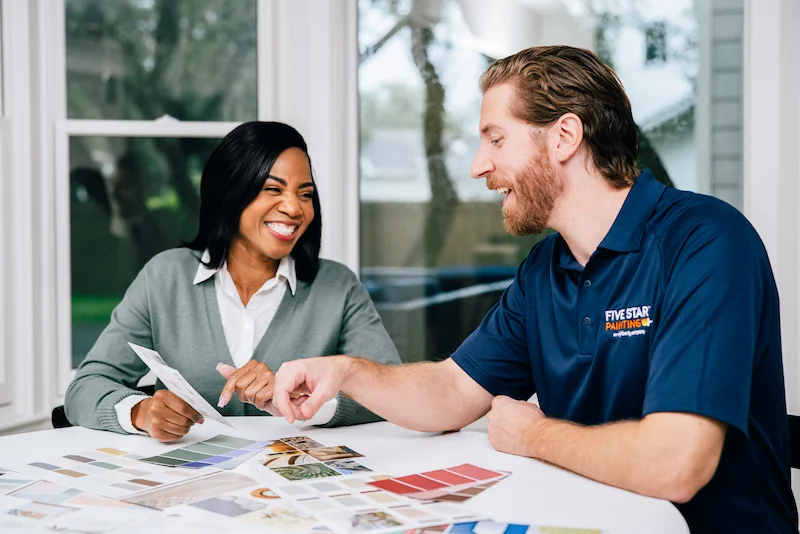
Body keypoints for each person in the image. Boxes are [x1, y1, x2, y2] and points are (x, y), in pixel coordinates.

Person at [270, 46, 798, 533]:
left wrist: (532, 435)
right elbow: (453, 392)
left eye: (496, 139)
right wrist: (346, 371)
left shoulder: (707, 242)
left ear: (565, 136)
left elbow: (676, 465)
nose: (479, 166)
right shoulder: (546, 266)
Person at [65, 121, 400, 442]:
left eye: (305, 193)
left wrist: (306, 400)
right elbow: (88, 386)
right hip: (193, 484)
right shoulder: (164, 278)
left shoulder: (338, 287)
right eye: (273, 189)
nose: (294, 208)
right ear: (230, 193)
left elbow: (391, 389)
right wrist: (140, 411)